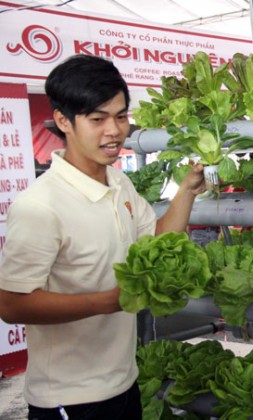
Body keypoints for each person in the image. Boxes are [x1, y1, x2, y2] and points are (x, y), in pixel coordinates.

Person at [0, 54, 206, 419]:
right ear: (63, 120)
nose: (114, 131)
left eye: (121, 116)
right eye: (97, 119)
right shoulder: (40, 206)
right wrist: (109, 301)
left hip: (125, 384)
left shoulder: (119, 183)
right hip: (68, 400)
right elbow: (11, 305)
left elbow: (157, 240)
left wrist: (187, 189)